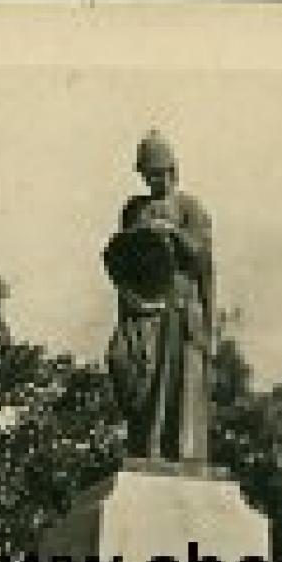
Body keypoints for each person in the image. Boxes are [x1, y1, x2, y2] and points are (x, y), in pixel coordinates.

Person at [103, 129, 216, 464]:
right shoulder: (134, 209)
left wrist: (174, 234)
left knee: (174, 383)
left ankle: (169, 454)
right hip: (140, 307)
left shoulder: (190, 208)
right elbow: (125, 257)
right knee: (123, 363)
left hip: (179, 307)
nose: (155, 181)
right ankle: (143, 445)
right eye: (149, 175)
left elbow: (202, 259)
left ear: (174, 171)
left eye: (160, 174)